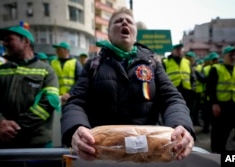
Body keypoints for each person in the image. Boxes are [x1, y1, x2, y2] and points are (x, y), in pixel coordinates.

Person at [61, 7, 195, 161]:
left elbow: (172, 99)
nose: (124, 22)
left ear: (135, 34)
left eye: (129, 21)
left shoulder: (152, 64)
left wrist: (182, 125)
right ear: (109, 33)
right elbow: (75, 102)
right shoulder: (94, 65)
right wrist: (75, 128)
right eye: (118, 21)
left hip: (148, 155)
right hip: (101, 154)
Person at [0, 26, 60, 148]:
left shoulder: (46, 71)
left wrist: (15, 127)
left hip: (37, 143)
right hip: (3, 142)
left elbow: (49, 103)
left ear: (26, 42)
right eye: (4, 40)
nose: (4, 44)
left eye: (9, 40)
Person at [206, 45, 235, 153]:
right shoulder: (216, 69)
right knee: (217, 130)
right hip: (220, 105)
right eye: (230, 55)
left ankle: (222, 150)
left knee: (228, 130)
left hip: (234, 105)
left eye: (234, 55)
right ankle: (216, 152)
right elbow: (210, 88)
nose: (233, 57)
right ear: (224, 56)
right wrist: (214, 104)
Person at [162, 44, 196, 117]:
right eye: (177, 49)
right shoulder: (165, 62)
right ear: (172, 51)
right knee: (174, 111)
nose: (179, 51)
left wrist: (193, 89)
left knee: (188, 111)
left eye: (181, 49)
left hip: (187, 91)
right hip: (173, 90)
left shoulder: (187, 62)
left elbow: (192, 77)